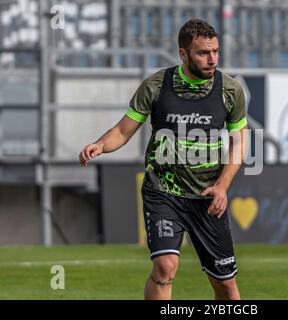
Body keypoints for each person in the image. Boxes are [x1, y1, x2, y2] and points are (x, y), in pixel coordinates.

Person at [79, 19, 247, 300]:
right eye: (203, 53)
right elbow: (123, 130)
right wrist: (99, 145)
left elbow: (240, 142)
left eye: (215, 51)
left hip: (207, 197)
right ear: (183, 54)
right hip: (163, 192)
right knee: (165, 267)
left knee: (227, 287)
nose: (212, 59)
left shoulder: (230, 90)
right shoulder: (156, 85)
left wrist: (222, 186)